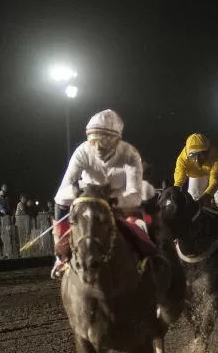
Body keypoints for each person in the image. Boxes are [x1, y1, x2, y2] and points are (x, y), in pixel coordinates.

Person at [51, 109, 151, 279]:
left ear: (116, 141)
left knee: (140, 224)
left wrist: (112, 200)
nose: (97, 147)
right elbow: (62, 191)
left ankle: (147, 258)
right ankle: (61, 257)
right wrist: (78, 192)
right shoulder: (82, 151)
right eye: (93, 140)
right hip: (87, 198)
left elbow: (135, 195)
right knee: (60, 201)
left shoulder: (130, 154)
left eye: (103, 141)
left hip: (117, 202)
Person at [173, 133, 218, 212]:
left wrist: (207, 196)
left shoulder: (217, 156)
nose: (197, 160)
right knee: (194, 197)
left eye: (201, 154)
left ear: (208, 151)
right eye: (192, 155)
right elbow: (178, 183)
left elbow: (215, 181)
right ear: (187, 153)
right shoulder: (182, 159)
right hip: (197, 173)